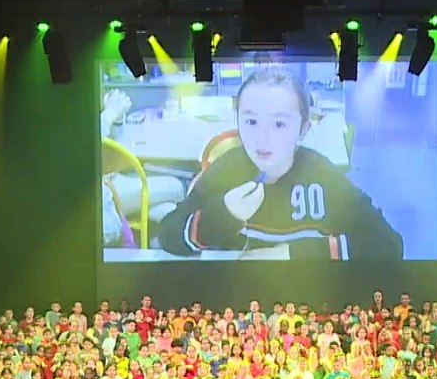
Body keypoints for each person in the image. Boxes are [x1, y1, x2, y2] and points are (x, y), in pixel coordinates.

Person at [158, 69, 403, 260]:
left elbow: (388, 244)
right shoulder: (225, 170)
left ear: (303, 128)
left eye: (279, 124)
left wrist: (289, 253)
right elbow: (168, 236)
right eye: (251, 121)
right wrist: (225, 214)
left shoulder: (323, 175)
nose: (262, 138)